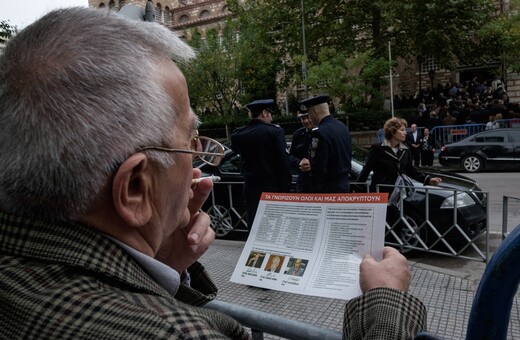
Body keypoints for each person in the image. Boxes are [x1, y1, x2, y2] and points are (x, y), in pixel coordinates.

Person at [0, 8, 426, 339]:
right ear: (133, 189)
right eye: (191, 141)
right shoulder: (180, 334)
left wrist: (156, 264)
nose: (199, 162)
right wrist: (384, 304)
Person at [355, 118, 442, 223]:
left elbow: (411, 170)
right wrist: (357, 190)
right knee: (387, 224)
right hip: (381, 194)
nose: (405, 133)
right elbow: (366, 170)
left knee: (397, 224)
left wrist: (428, 180)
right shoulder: (378, 149)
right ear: (392, 131)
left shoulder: (405, 149)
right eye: (402, 130)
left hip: (398, 195)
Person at [231, 99, 292, 227]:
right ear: (264, 113)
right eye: (270, 113)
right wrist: (285, 188)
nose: (271, 118)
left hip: (250, 187)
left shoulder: (239, 134)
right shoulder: (275, 132)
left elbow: (236, 153)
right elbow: (284, 162)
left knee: (254, 225)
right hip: (272, 188)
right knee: (273, 227)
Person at [300, 95, 352, 193]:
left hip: (327, 189)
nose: (309, 118)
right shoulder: (342, 127)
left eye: (309, 114)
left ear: (315, 112)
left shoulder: (319, 133)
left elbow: (318, 167)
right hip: (344, 185)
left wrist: (313, 189)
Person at [289, 109, 315, 192]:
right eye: (303, 118)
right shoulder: (298, 134)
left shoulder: (323, 132)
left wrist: (312, 164)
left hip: (319, 181)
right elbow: (290, 156)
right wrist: (299, 162)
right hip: (303, 181)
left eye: (308, 117)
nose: (306, 121)